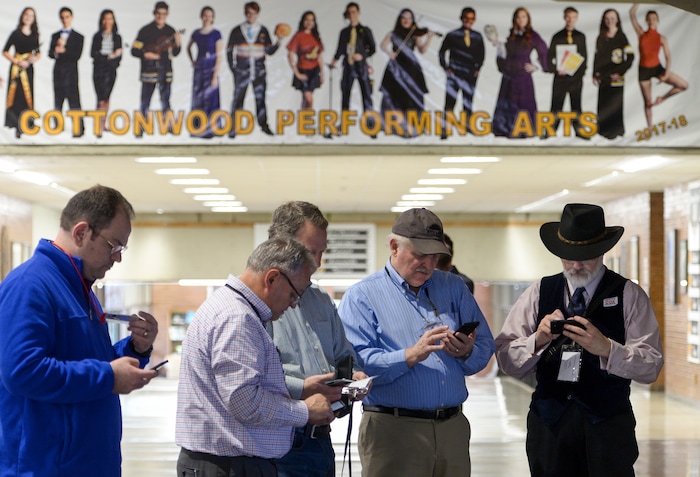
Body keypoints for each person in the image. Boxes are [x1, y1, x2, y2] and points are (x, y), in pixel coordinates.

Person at [0, 184, 160, 476]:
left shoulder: (78, 287)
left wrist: (134, 350)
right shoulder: (31, 286)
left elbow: (87, 360)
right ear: (81, 232)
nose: (118, 257)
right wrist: (109, 377)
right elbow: (22, 372)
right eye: (114, 245)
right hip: (47, 467)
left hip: (86, 463)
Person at [495, 203, 664, 477]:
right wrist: (537, 340)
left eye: (585, 256)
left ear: (602, 250)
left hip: (608, 427)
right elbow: (506, 358)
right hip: (550, 427)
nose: (575, 265)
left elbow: (651, 365)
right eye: (568, 256)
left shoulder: (629, 295)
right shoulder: (539, 292)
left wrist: (607, 349)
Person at [338, 208, 496, 477]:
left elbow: (485, 345)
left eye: (435, 256)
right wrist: (409, 355)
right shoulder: (362, 297)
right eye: (420, 255)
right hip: (393, 430)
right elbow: (356, 364)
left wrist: (467, 353)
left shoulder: (454, 288)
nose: (429, 264)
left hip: (453, 428)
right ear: (394, 247)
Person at [175, 237, 335, 477]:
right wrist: (303, 411)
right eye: (293, 294)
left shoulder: (231, 308)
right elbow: (243, 400)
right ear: (271, 278)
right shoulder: (238, 319)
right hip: (229, 467)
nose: (293, 305)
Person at [267, 201, 368, 477]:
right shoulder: (259, 305)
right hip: (280, 444)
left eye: (322, 252)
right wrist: (302, 387)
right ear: (281, 245)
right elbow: (251, 382)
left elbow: (344, 356)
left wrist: (354, 375)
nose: (319, 263)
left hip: (321, 440)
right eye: (311, 252)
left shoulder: (321, 300)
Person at [226, 1, 286, 137]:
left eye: (253, 13)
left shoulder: (263, 30)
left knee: (260, 99)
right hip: (242, 71)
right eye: (248, 13)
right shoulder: (237, 30)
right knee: (238, 99)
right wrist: (233, 69)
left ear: (257, 14)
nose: (250, 16)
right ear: (245, 13)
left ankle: (263, 125)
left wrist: (279, 42)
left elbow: (269, 51)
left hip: (259, 71)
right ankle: (233, 127)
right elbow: (229, 51)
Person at [491, 7, 549, 138]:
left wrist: (536, 66)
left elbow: (544, 51)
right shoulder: (511, 35)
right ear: (514, 19)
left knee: (524, 103)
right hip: (509, 75)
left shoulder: (533, 35)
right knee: (508, 103)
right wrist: (498, 46)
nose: (521, 19)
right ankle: (507, 130)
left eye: (524, 17)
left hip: (523, 77)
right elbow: (505, 55)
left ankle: (525, 130)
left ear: (528, 19)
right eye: (518, 17)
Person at [629, 3, 688, 129]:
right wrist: (637, 3)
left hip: (657, 68)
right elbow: (632, 14)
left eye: (654, 19)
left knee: (683, 85)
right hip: (644, 70)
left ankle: (662, 98)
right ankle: (649, 128)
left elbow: (668, 57)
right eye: (649, 19)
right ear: (646, 21)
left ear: (657, 21)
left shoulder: (662, 38)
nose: (651, 21)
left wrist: (666, 74)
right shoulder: (641, 34)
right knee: (648, 102)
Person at [379, 8, 435, 137]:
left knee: (415, 94)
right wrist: (389, 53)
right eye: (404, 18)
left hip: (411, 67)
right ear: (400, 19)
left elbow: (422, 50)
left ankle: (419, 124)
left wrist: (429, 38)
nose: (406, 20)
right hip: (396, 66)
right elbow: (383, 45)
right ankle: (389, 124)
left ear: (412, 20)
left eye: (409, 18)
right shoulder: (393, 33)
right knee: (393, 94)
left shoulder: (414, 34)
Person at [131, 1, 181, 132]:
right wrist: (145, 54)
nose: (160, 16)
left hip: (165, 71)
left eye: (163, 14)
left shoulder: (171, 31)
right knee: (145, 100)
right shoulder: (145, 31)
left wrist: (178, 42)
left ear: (167, 15)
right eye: (158, 13)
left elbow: (175, 53)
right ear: (154, 14)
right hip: (149, 72)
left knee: (166, 100)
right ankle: (141, 127)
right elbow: (134, 50)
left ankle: (169, 126)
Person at [438, 7, 484, 139]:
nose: (468, 21)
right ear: (461, 18)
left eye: (471, 19)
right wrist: (446, 68)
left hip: (470, 74)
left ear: (474, 20)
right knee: (450, 102)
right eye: (466, 18)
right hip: (455, 73)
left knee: (468, 102)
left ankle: (468, 127)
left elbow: (482, 54)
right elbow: (442, 51)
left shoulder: (477, 36)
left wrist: (477, 68)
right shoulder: (452, 35)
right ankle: (445, 130)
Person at [329, 3, 376, 125]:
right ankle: (344, 123)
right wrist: (334, 61)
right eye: (349, 12)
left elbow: (372, 48)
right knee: (345, 94)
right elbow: (340, 49)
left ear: (358, 13)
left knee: (366, 94)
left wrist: (362, 55)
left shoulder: (365, 30)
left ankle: (370, 123)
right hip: (348, 67)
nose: (351, 15)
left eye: (354, 12)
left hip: (361, 66)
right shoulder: (344, 32)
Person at [593, 9, 634, 140]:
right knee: (603, 103)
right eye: (607, 18)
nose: (609, 21)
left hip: (617, 78)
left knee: (615, 104)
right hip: (604, 78)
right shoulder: (601, 37)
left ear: (617, 20)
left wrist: (620, 72)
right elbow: (597, 57)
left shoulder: (622, 37)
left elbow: (631, 56)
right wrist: (595, 73)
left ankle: (617, 132)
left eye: (612, 18)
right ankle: (603, 131)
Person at [547, 7, 587, 138]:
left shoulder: (580, 37)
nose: (570, 20)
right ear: (564, 18)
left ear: (577, 18)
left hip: (575, 79)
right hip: (560, 78)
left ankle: (579, 131)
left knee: (576, 105)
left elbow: (584, 58)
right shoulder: (557, 36)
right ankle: (550, 130)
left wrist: (579, 74)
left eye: (573, 17)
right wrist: (556, 70)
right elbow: (549, 58)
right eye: (568, 17)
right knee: (556, 105)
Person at [3, 7, 40, 139]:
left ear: (34, 19)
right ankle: (14, 125)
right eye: (26, 15)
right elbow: (5, 51)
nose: (28, 17)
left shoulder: (35, 35)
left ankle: (26, 125)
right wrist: (16, 61)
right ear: (22, 16)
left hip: (28, 70)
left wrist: (31, 60)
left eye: (31, 15)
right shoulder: (16, 33)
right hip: (16, 70)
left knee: (27, 97)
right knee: (16, 97)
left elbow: (37, 53)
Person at [187, 5, 222, 138]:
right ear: (201, 17)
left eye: (210, 16)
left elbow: (219, 56)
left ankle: (211, 130)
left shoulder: (216, 34)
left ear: (213, 18)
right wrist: (192, 61)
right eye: (205, 15)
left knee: (211, 98)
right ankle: (197, 129)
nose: (207, 18)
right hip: (199, 68)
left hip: (211, 68)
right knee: (198, 98)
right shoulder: (196, 33)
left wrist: (215, 76)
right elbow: (188, 47)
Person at [49, 7, 85, 137]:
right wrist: (55, 51)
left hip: (71, 75)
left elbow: (77, 55)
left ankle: (79, 130)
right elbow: (50, 54)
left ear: (72, 17)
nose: (65, 19)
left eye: (67, 17)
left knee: (74, 102)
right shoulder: (55, 36)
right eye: (62, 17)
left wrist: (63, 50)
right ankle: (56, 128)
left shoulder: (78, 37)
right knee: (58, 102)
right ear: (60, 19)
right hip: (58, 73)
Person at [91, 9, 123, 138]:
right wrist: (109, 56)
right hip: (98, 70)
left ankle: (103, 125)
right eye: (105, 18)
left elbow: (119, 56)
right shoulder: (97, 36)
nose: (107, 21)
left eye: (110, 18)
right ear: (101, 21)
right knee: (100, 99)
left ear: (113, 21)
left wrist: (110, 59)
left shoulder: (117, 37)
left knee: (107, 99)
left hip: (111, 71)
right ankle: (97, 126)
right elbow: (93, 54)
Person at [287, 11, 325, 110]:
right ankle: (306, 120)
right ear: (303, 21)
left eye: (312, 20)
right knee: (308, 98)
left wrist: (322, 73)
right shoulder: (298, 36)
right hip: (303, 69)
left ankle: (306, 121)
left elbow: (319, 56)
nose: (309, 22)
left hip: (315, 70)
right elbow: (290, 53)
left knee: (307, 99)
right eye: (307, 20)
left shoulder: (316, 36)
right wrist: (296, 72)